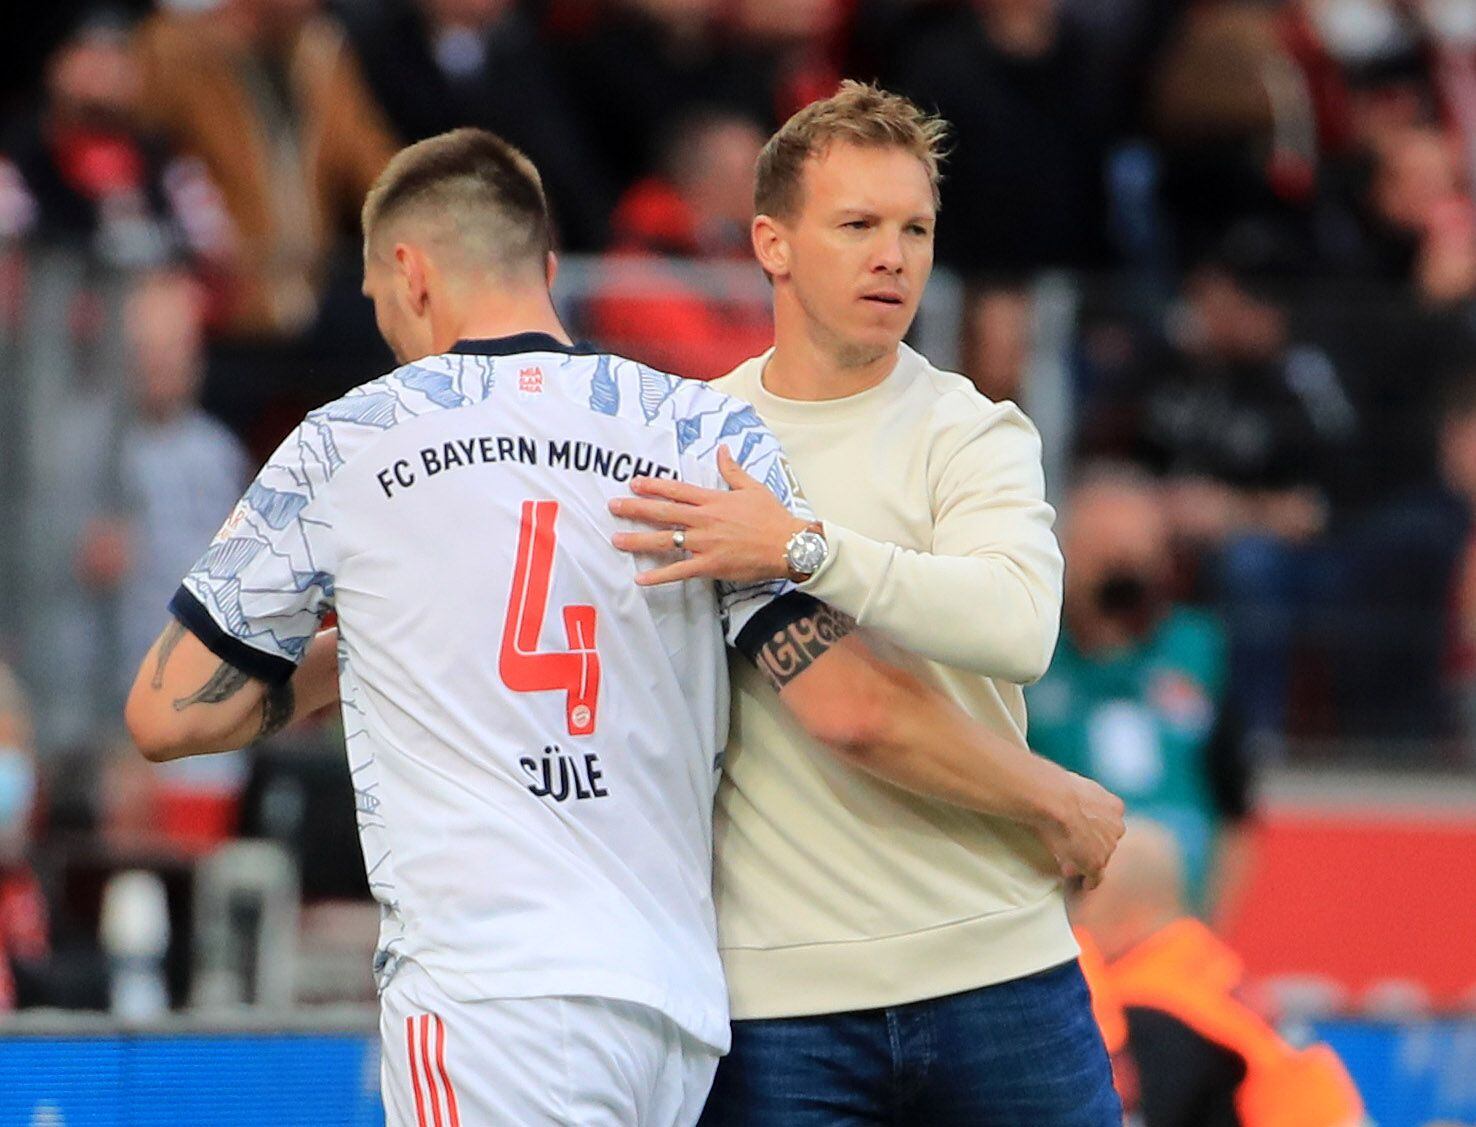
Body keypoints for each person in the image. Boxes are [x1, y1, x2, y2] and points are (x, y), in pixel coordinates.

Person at [124, 127, 1122, 1125]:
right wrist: (1044, 794)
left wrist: (353, 656)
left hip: (487, 991)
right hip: (672, 1007)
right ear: (550, 270)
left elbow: (166, 714)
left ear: (408, 273)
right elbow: (843, 697)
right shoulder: (697, 432)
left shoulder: (353, 438)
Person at [611, 82, 1124, 1125]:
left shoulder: (972, 429)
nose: (893, 255)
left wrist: (799, 546)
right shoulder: (691, 442)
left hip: (1002, 964)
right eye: (857, 225)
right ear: (772, 243)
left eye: (915, 229)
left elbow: (1018, 626)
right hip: (779, 995)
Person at [1027, 470, 1256, 918]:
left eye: (1137, 552)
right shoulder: (1028, 659)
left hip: (1174, 918)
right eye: (1105, 552)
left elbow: (1237, 810)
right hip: (1060, 920)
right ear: (1067, 555)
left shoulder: (1199, 650)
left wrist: (1211, 923)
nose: (1124, 570)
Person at [1072, 820, 1366, 1127]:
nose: (1076, 912)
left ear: (1125, 907)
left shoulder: (1155, 1004)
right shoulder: (1200, 961)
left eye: (1083, 893)